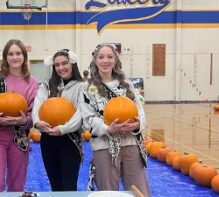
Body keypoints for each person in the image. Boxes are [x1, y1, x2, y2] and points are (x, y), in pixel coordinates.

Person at [79, 44, 150, 196]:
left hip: (131, 144)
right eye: (101, 57)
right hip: (104, 146)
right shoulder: (87, 88)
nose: (106, 61)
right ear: (95, 60)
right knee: (108, 192)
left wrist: (138, 124)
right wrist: (107, 129)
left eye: (110, 57)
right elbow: (87, 119)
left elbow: (140, 111)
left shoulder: (127, 85)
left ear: (115, 60)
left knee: (140, 192)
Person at [0, 39, 38, 192]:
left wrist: (24, 121)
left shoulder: (32, 82)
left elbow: (34, 114)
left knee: (17, 185)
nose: (15, 57)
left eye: (18, 53)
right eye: (11, 54)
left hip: (20, 138)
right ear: (5, 57)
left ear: (24, 56)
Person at [32, 49, 85, 191]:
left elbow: (81, 113)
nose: (61, 68)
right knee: (55, 184)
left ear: (72, 64)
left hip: (70, 139)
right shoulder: (47, 85)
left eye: (64, 63)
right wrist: (37, 122)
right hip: (48, 138)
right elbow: (38, 104)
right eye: (57, 65)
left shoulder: (82, 87)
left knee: (69, 185)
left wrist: (63, 128)